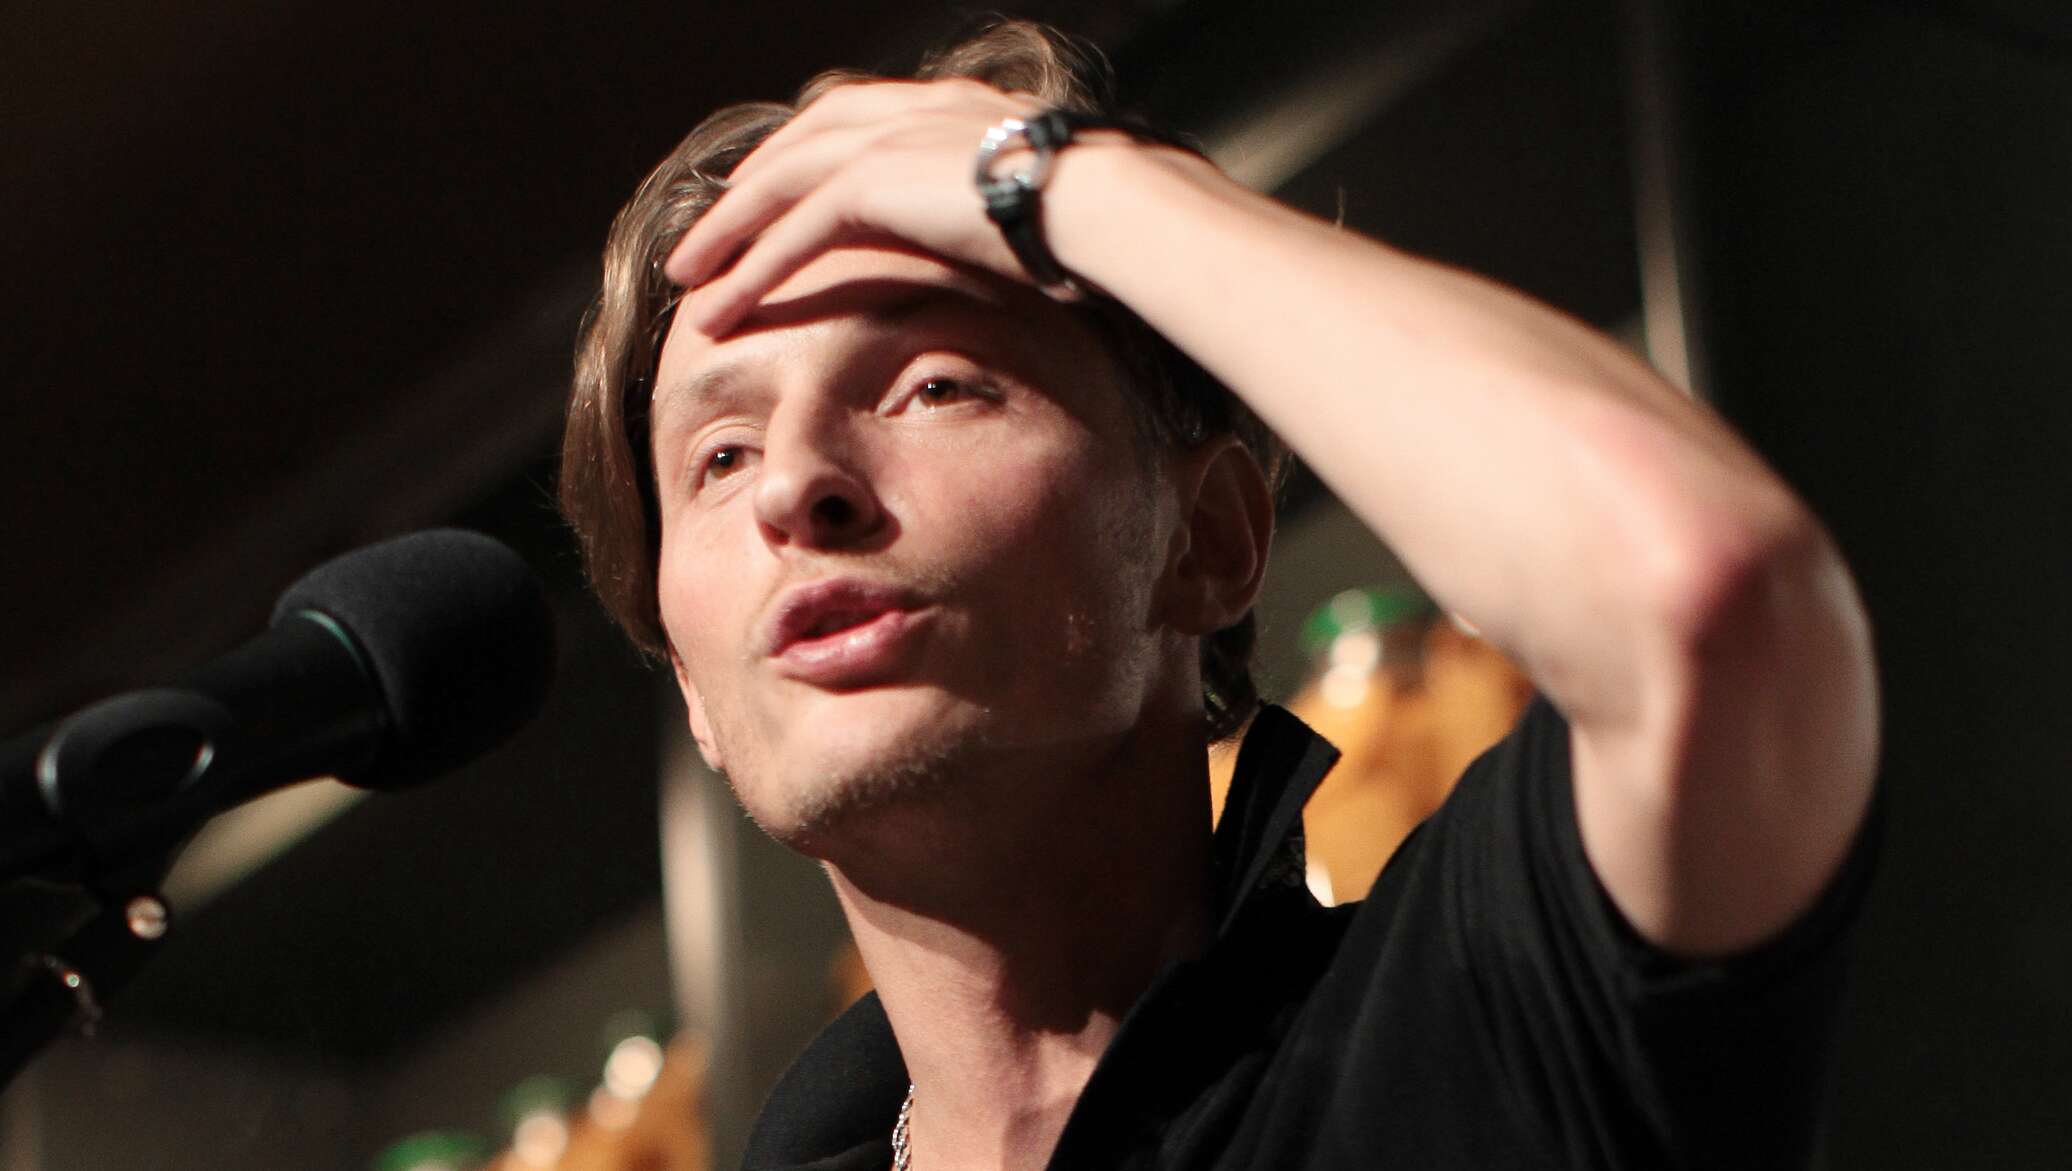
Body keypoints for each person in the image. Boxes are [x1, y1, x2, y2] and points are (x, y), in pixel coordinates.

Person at [558, 20, 1881, 1171]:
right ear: (692, 690)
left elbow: (1698, 591)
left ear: (1208, 537)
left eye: (934, 386)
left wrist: (1064, 179)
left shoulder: (1457, 1033)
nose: (798, 484)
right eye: (720, 456)